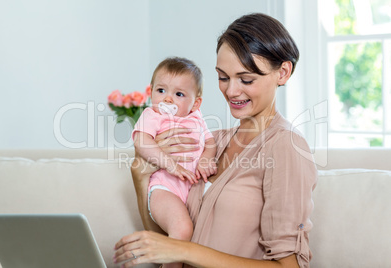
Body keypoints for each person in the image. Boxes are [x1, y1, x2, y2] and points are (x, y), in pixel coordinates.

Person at [114, 13, 317, 268]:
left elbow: (290, 267)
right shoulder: (210, 142)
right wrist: (140, 177)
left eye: (246, 79)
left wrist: (185, 251)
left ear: (283, 72)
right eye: (223, 77)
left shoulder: (286, 146)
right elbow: (164, 245)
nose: (231, 91)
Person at [131, 57, 217, 268]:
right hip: (165, 188)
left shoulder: (196, 117)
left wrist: (206, 160)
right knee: (182, 229)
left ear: (195, 103)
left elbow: (211, 143)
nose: (167, 99)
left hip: (193, 188)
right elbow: (141, 141)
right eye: (161, 91)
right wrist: (170, 164)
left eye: (178, 94)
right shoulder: (152, 115)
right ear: (151, 92)